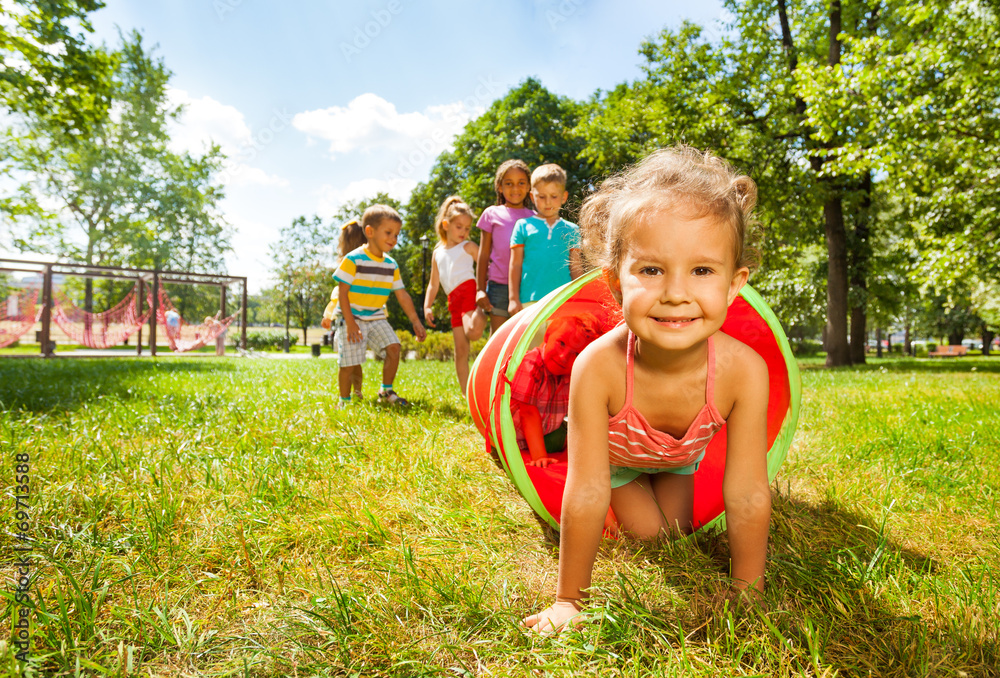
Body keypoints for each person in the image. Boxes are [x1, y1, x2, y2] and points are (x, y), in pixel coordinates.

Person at [523, 146, 771, 634]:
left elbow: (747, 491)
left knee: (679, 534)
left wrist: (748, 588)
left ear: (734, 284)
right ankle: (631, 504)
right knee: (655, 538)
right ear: (615, 283)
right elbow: (586, 487)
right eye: (651, 270)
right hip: (617, 464)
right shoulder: (598, 367)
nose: (676, 293)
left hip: (678, 457)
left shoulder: (745, 370)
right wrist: (568, 601)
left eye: (702, 270)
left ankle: (655, 492)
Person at [333, 204, 426, 407]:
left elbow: (402, 295)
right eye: (389, 233)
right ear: (370, 232)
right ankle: (345, 401)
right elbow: (342, 292)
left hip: (376, 316)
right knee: (348, 363)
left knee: (394, 347)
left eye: (396, 234)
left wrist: (416, 322)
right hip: (351, 317)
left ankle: (386, 391)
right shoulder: (353, 259)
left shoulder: (391, 265)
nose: (393, 239)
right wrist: (350, 322)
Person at [509, 313, 602, 467]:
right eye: (562, 343)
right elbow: (528, 413)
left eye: (576, 353)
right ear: (547, 336)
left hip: (549, 432)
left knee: (585, 432)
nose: (563, 356)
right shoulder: (530, 364)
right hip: (515, 436)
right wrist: (539, 457)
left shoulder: (573, 375)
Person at [423, 196, 487, 394]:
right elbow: (433, 284)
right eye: (459, 226)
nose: (464, 232)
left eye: (467, 228)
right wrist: (427, 306)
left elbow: (487, 266)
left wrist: (483, 292)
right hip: (453, 299)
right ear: (446, 225)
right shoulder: (437, 253)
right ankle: (467, 394)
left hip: (468, 291)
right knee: (461, 351)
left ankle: (483, 311)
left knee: (473, 333)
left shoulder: (468, 247)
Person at [508, 164, 584, 316]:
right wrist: (513, 298)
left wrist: (581, 298)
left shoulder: (572, 229)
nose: (548, 202)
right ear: (532, 197)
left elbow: (576, 267)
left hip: (563, 301)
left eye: (554, 196)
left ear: (564, 197)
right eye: (542, 197)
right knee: (534, 341)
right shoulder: (522, 226)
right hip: (530, 302)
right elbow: (515, 265)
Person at [475, 159, 535, 333]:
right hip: (499, 285)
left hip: (526, 287)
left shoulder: (534, 217)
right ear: (500, 187)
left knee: (523, 339)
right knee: (499, 339)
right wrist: (480, 289)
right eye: (509, 183)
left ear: (529, 187)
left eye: (521, 183)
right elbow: (483, 254)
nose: (515, 188)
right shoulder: (491, 214)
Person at [323, 218, 368, 399]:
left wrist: (328, 315)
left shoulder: (347, 263)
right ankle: (357, 392)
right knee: (354, 361)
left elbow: (338, 296)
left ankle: (347, 396)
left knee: (346, 362)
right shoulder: (367, 263)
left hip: (346, 322)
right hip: (363, 319)